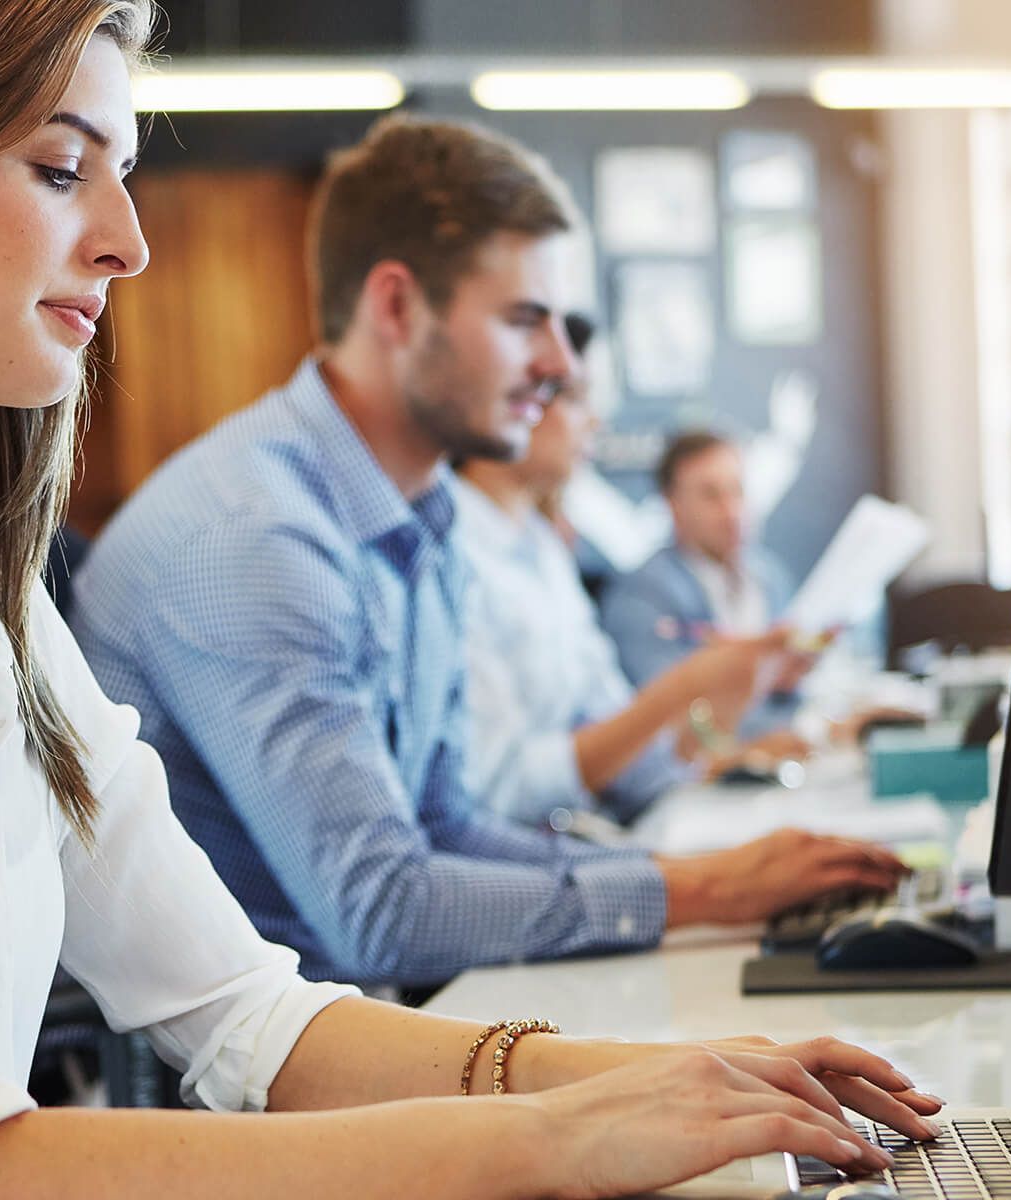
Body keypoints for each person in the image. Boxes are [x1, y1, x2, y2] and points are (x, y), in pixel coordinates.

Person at [0, 3, 938, 1197]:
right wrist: (563, 1143)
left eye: (124, 173)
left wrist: (660, 1081)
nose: (128, 241)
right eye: (57, 168)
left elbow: (250, 1020)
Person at [70, 113, 907, 997]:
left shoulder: (417, 514)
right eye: (524, 320)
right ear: (397, 306)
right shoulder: (258, 539)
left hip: (354, 1021)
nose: (556, 363)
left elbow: (446, 825)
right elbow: (382, 910)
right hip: (238, 1085)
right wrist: (698, 889)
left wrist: (687, 876)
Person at [450, 313, 785, 827]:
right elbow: (502, 789)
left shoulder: (542, 550)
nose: (596, 422)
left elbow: (615, 724)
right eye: (578, 397)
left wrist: (723, 750)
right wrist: (684, 690)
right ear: (517, 400)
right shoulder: (456, 555)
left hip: (608, 827)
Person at [601, 429, 818, 755]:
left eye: (738, 491)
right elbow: (668, 715)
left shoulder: (770, 577)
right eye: (711, 495)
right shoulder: (640, 595)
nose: (732, 512)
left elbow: (790, 694)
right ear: (672, 505)